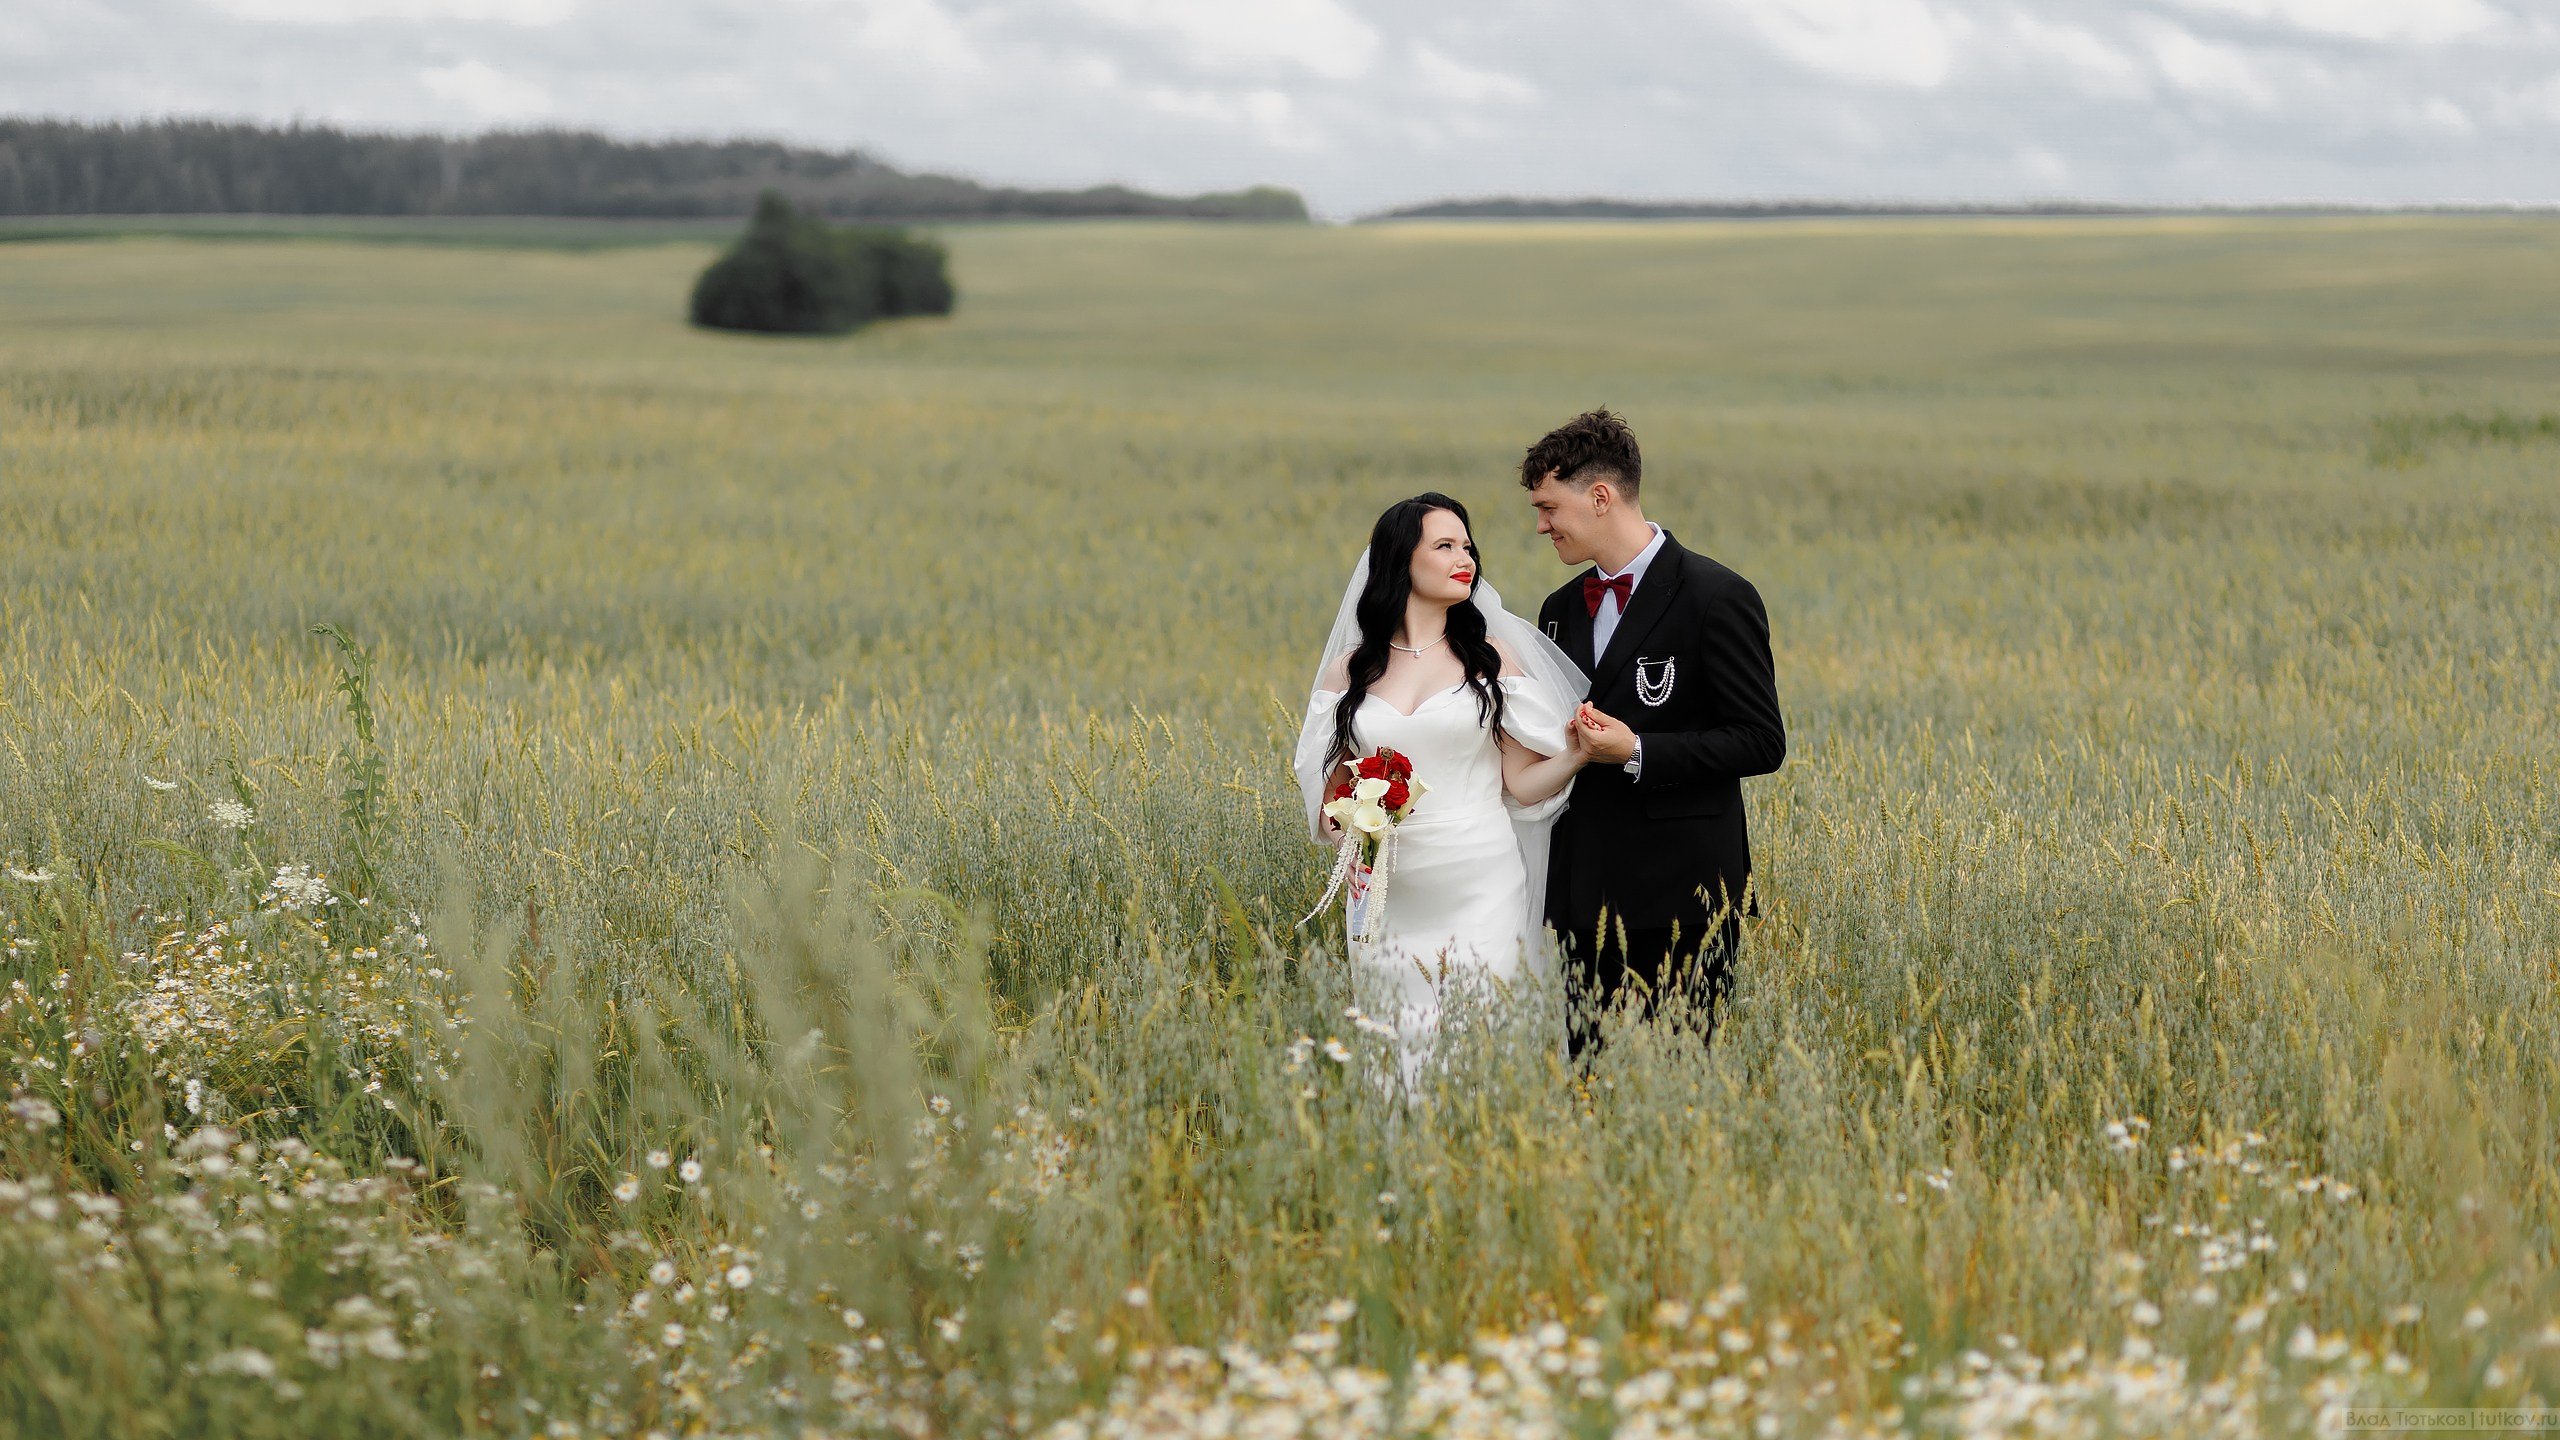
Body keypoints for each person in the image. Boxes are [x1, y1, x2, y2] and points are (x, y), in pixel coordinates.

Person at [1290, 493, 1592, 1073]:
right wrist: (1352, 836)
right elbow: (1329, 793)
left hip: (1480, 882)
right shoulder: (1351, 671)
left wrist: (1576, 755)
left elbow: (1522, 784)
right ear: (1402, 560)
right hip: (1387, 891)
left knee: (1477, 1039)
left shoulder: (1489, 660)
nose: (1465, 559)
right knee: (1395, 1046)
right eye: (1445, 546)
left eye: (1468, 547)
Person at [1522, 409, 1786, 1055]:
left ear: (1600, 497)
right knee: (1587, 1079)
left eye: (1549, 507)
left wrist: (1637, 751)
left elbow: (1761, 740)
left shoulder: (1717, 596)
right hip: (1581, 895)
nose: (1541, 525)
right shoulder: (1558, 609)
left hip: (1685, 896)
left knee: (1681, 1078)